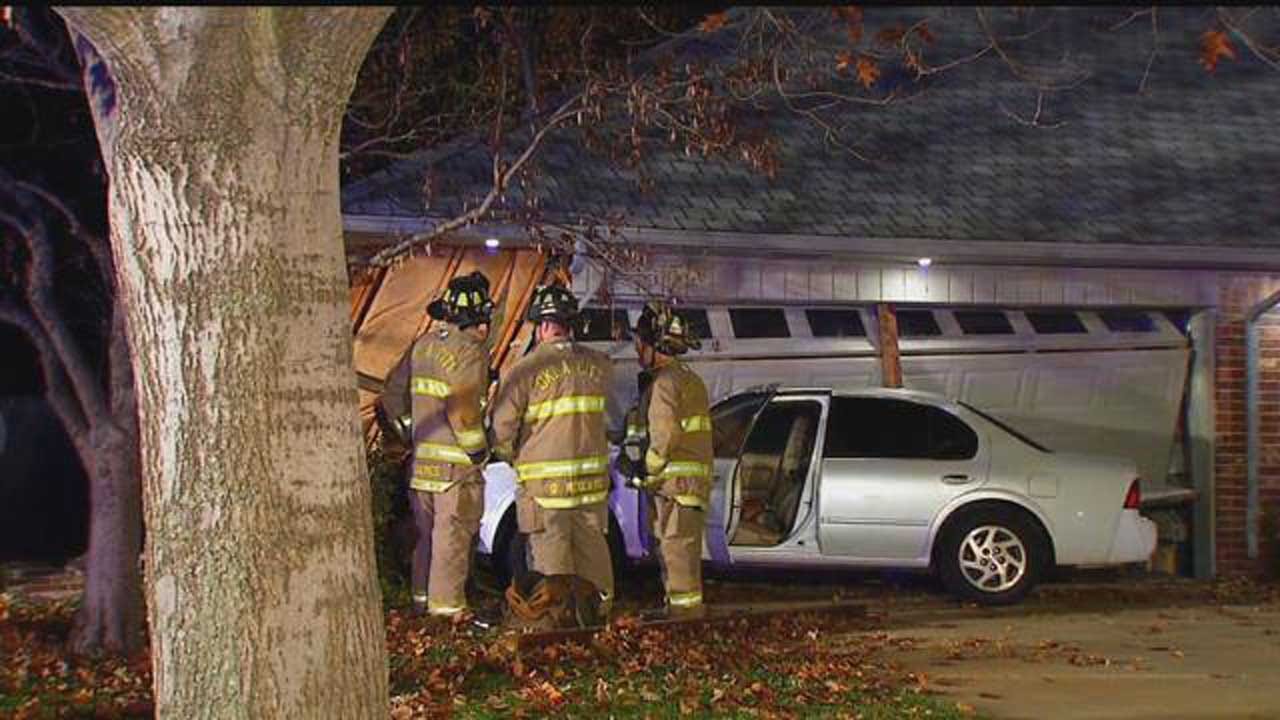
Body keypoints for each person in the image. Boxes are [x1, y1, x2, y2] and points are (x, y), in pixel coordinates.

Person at [489, 284, 615, 628]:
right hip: (590, 487)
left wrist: (513, 456)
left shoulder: (524, 370)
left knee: (551, 564)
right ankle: (599, 619)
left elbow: (501, 431)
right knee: (593, 555)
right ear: (570, 324)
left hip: (545, 491)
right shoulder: (600, 365)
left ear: (541, 327)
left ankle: (558, 631)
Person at [382, 271, 493, 619]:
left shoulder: (423, 346)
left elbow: (392, 394)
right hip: (455, 471)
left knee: (427, 538)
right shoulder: (471, 352)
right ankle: (446, 618)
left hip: (422, 466)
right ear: (479, 321)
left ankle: (420, 604)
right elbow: (463, 412)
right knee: (452, 540)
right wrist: (478, 451)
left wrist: (411, 432)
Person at [621, 300, 713, 620]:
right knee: (680, 551)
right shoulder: (690, 379)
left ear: (654, 345)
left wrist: (647, 470)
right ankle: (680, 611)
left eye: (640, 343)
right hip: (687, 483)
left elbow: (665, 436)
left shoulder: (663, 384)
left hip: (675, 484)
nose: (636, 349)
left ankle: (684, 620)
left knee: (676, 551)